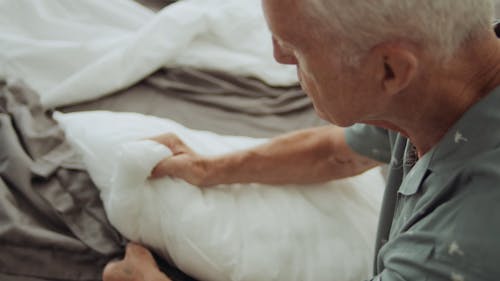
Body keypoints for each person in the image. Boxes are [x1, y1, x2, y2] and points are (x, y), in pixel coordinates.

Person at [104, 0, 500, 280]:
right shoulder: (449, 78)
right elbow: (338, 152)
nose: (277, 57)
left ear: (391, 71)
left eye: (294, 47)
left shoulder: (460, 248)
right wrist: (206, 168)